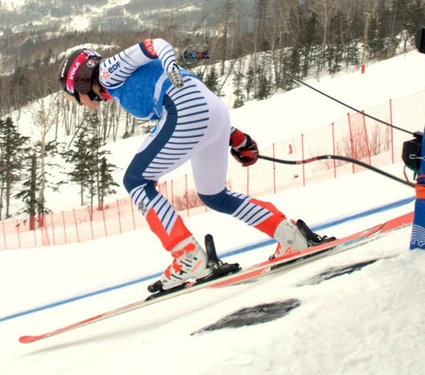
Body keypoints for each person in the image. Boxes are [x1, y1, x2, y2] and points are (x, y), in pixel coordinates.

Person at [59, 38, 334, 293]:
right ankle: (290, 236)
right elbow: (201, 100)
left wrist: (169, 62)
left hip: (186, 112)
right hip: (213, 114)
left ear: (81, 82)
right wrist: (235, 137)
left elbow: (155, 44)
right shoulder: (120, 86)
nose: (79, 104)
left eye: (74, 97)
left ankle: (186, 256)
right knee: (215, 196)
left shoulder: (107, 72)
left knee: (136, 181)